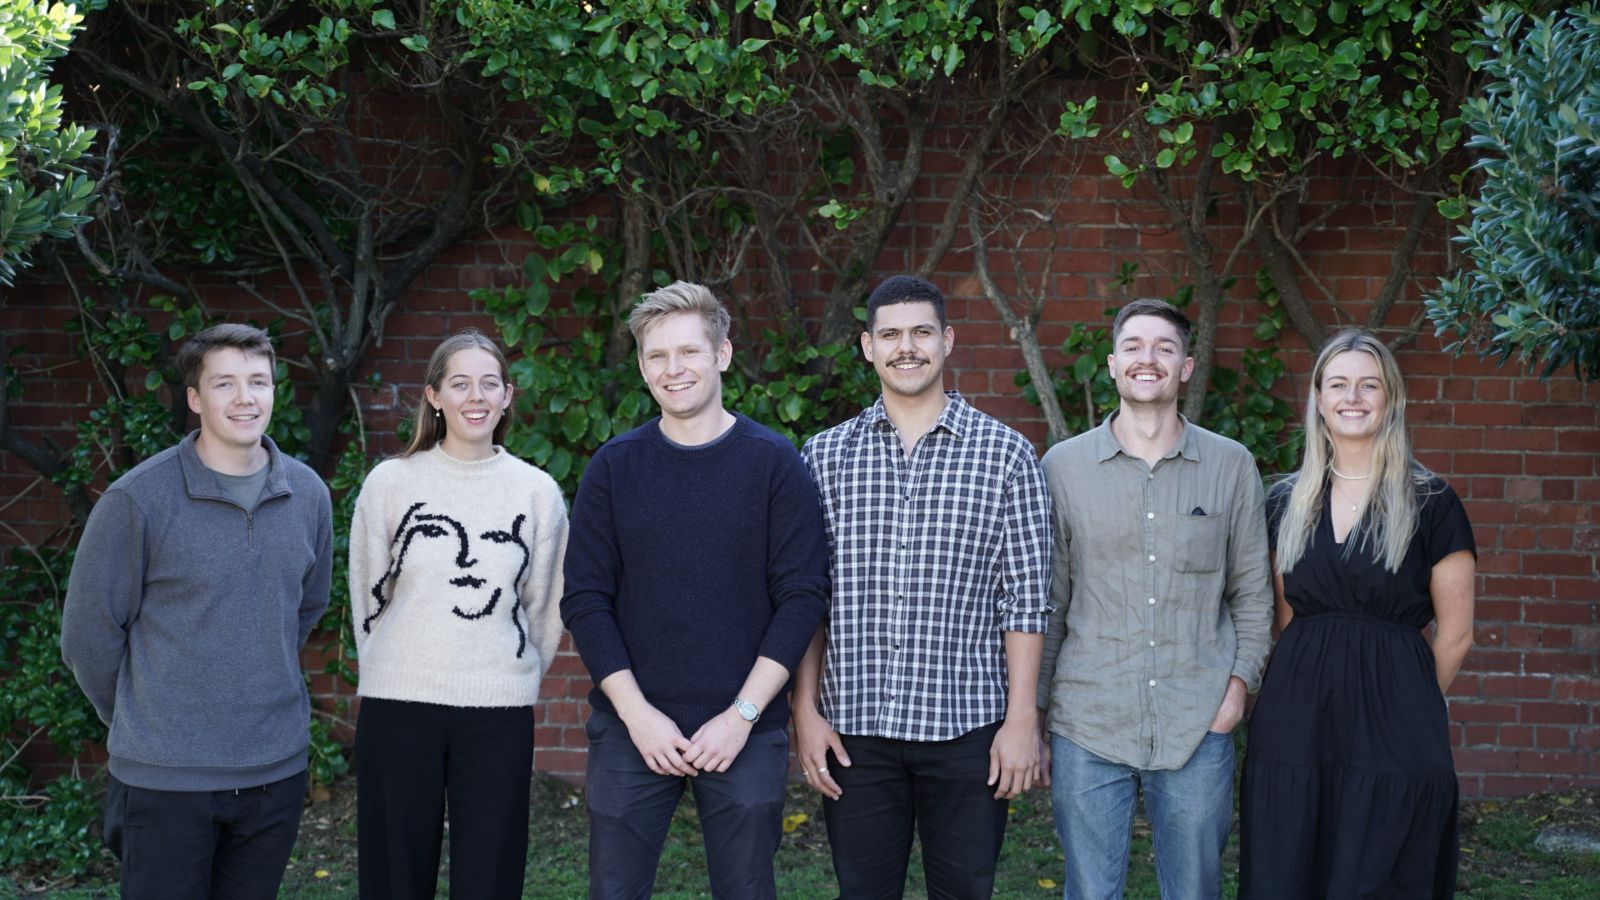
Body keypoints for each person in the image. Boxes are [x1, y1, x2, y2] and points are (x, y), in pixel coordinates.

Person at [561, 281, 829, 900]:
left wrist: (742, 716)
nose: (673, 369)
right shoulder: (614, 467)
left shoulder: (772, 462)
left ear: (723, 355)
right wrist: (637, 715)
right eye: (657, 356)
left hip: (744, 727)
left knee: (746, 890)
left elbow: (801, 596)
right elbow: (586, 599)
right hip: (632, 728)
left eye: (689, 352)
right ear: (642, 366)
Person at [793, 274, 1053, 899]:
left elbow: (1025, 597)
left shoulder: (1006, 456)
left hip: (969, 728)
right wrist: (805, 711)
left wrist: (1022, 719)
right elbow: (805, 598)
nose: (905, 347)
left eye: (920, 333)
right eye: (890, 335)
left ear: (948, 341)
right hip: (854, 727)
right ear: (867, 346)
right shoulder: (823, 458)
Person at [60, 323, 333, 900]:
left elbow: (304, 608)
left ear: (275, 390)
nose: (244, 399)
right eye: (224, 384)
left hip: (273, 771)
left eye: (258, 381)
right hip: (166, 778)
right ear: (194, 398)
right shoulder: (137, 500)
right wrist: (147, 715)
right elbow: (89, 636)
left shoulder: (308, 494)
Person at [1037, 298, 1273, 900]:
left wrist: (1239, 687)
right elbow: (1048, 598)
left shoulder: (1230, 465)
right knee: (1090, 892)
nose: (1149, 359)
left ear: (1187, 367)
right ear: (1113, 366)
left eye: (1164, 348)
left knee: (1194, 890)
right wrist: (1033, 715)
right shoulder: (1062, 468)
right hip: (1087, 719)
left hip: (1199, 719)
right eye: (1135, 347)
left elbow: (1251, 590)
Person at [1238, 329, 1475, 899]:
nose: (1354, 397)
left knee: (1381, 868)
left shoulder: (1432, 501)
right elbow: (1282, 617)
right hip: (1297, 718)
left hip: (1396, 720)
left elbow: (1457, 634)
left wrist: (1405, 699)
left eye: (1369, 385)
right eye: (1339, 384)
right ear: (1318, 398)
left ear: (1390, 399)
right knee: (1288, 861)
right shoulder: (1284, 501)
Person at [348, 329, 568, 899]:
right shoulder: (391, 483)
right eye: (460, 383)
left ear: (508, 396)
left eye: (489, 384)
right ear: (434, 396)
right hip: (399, 703)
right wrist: (387, 665)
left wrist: (509, 672)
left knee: (490, 877)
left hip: (497, 708)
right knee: (395, 875)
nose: (477, 396)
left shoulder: (537, 493)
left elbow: (544, 607)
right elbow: (368, 592)